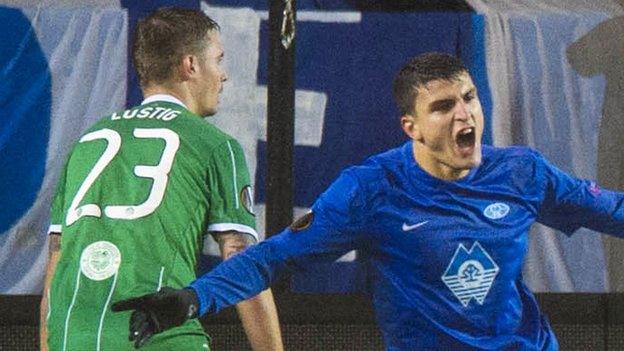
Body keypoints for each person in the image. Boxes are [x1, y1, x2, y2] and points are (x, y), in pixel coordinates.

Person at [112, 52, 624, 350]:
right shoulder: (369, 190)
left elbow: (612, 210)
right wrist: (193, 298)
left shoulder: (522, 172)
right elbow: (272, 257)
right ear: (412, 127)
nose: (464, 115)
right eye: (443, 107)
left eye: (469, 98)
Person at [39, 7, 283, 351]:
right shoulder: (214, 145)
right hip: (157, 336)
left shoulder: (87, 143)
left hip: (72, 337)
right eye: (218, 59)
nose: (224, 75)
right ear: (191, 65)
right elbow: (241, 258)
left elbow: (57, 260)